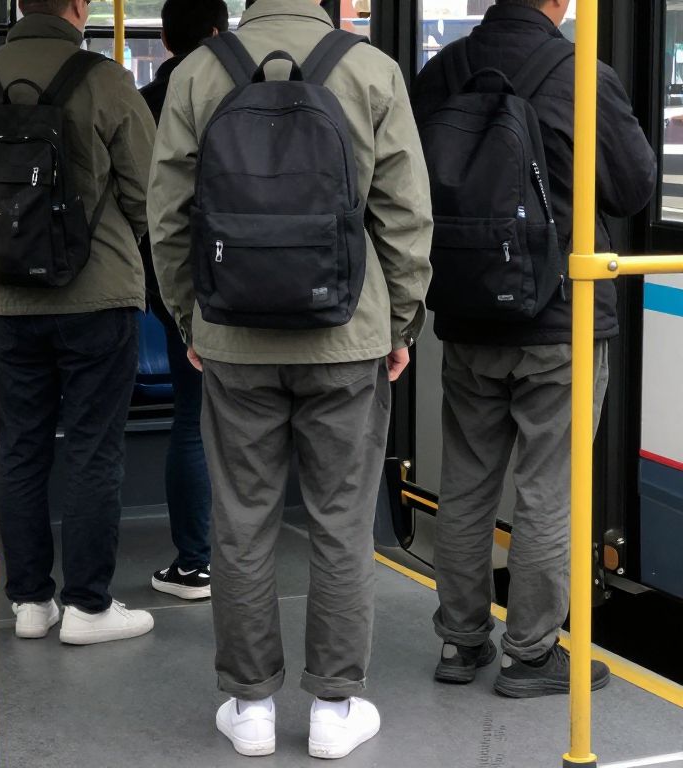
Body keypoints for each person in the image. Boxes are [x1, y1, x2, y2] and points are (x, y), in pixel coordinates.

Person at [148, 0, 432, 758]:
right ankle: (335, 708)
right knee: (342, 519)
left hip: (234, 337)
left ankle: (250, 708)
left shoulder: (198, 73)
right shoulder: (371, 70)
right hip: (346, 336)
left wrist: (192, 318)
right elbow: (406, 216)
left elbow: (168, 215)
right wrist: (399, 325)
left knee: (242, 520)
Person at [411, 0, 656, 696]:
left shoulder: (445, 70)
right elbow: (634, 187)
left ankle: (460, 642)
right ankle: (530, 653)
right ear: (560, 2)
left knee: (466, 482)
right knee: (549, 488)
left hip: (468, 312)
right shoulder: (581, 74)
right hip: (560, 318)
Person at [0, 0, 157, 645]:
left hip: (5, 300)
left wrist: (7, 252)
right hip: (98, 297)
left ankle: (30, 602)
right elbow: (150, 193)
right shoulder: (107, 80)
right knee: (93, 448)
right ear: (79, 7)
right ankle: (89, 606)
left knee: (19, 445)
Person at [140, 0, 229, 601]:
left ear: (167, 39)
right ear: (218, 33)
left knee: (192, 418)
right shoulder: (242, 92)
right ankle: (246, 556)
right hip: (253, 277)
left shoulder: (147, 100)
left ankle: (195, 562)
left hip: (176, 280)